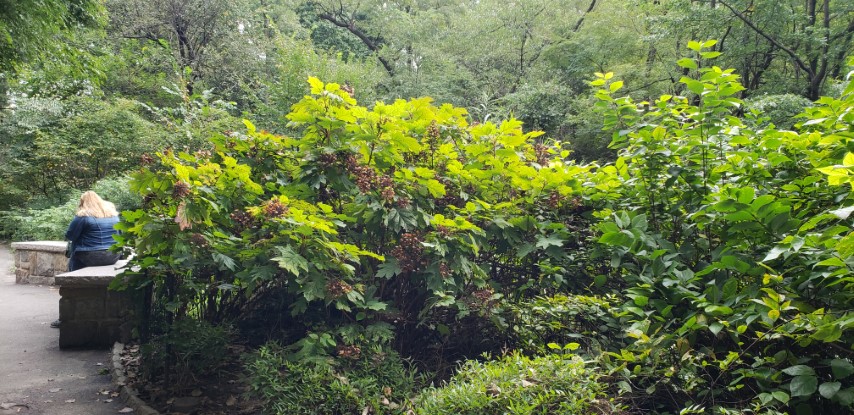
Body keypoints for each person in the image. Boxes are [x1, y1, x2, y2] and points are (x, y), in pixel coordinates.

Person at [52, 191, 121, 328]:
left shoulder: (83, 217)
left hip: (90, 257)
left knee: (75, 249)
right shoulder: (114, 216)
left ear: (83, 202)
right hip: (113, 256)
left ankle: (71, 287)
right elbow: (120, 234)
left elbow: (70, 236)